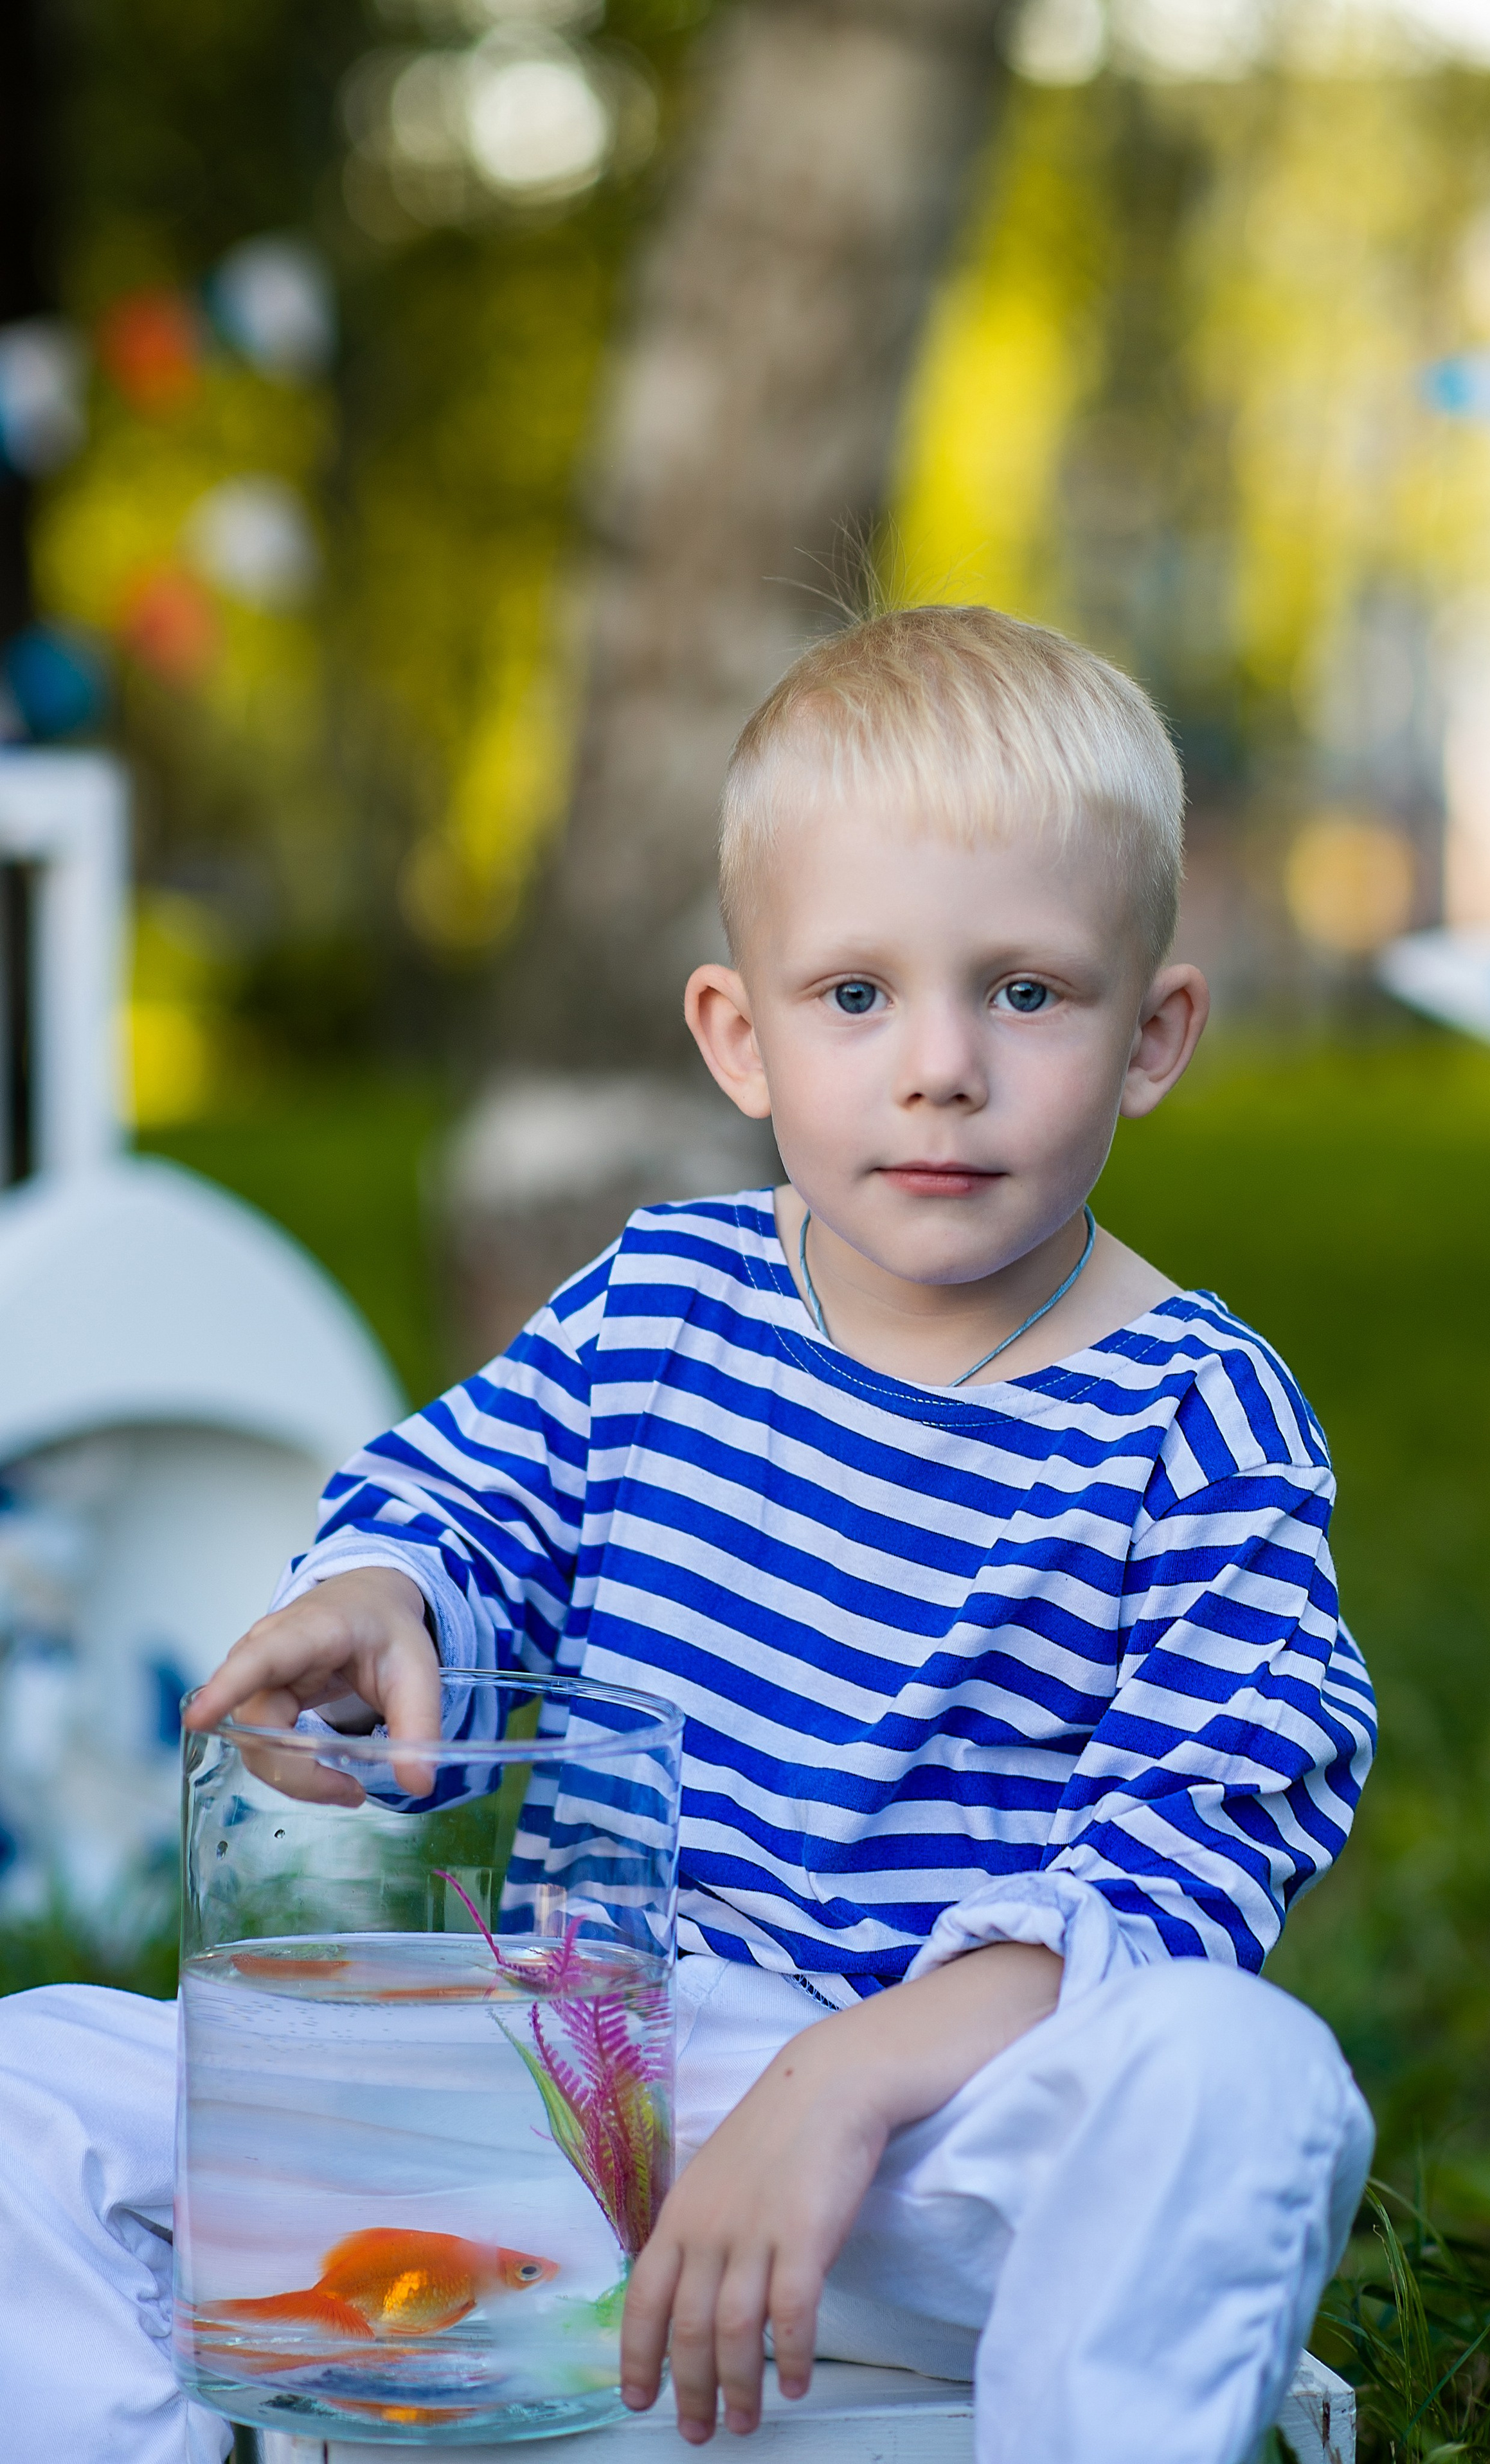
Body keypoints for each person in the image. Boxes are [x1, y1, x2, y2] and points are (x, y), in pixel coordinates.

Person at [0, 604, 1376, 2464]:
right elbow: (465, 1500)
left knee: (1248, 2076)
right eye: (857, 994)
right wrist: (381, 1598)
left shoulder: (1195, 1419)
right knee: (35, 2089)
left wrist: (849, 2076)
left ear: (1156, 1032)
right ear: (740, 1035)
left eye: (1030, 992)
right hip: (586, 2079)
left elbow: (1209, 1828)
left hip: (931, 2148)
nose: (943, 1064)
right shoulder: (665, 1303)